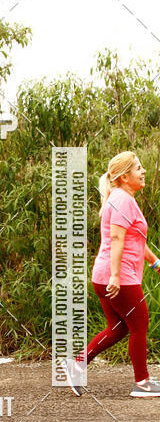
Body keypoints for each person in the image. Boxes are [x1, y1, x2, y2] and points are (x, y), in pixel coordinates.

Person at [62, 151, 160, 397]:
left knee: (118, 328)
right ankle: (142, 382)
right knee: (139, 325)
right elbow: (116, 237)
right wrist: (116, 277)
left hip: (105, 275)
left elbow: (134, 238)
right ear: (125, 176)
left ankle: (77, 365)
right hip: (118, 278)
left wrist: (155, 262)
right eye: (138, 168)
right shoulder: (122, 199)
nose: (143, 171)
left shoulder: (120, 197)